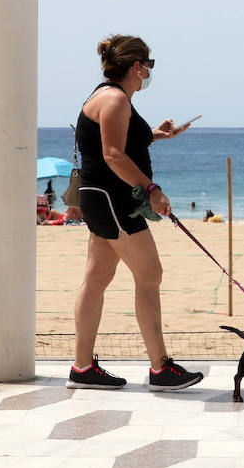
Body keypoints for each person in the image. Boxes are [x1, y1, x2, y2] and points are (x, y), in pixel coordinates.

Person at [68, 34, 202, 392]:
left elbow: (114, 143)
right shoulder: (114, 99)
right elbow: (112, 155)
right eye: (149, 64)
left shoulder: (109, 96)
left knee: (96, 278)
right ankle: (160, 368)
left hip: (100, 198)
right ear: (137, 66)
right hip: (113, 200)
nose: (149, 71)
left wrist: (155, 135)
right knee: (150, 273)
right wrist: (152, 189)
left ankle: (82, 368)